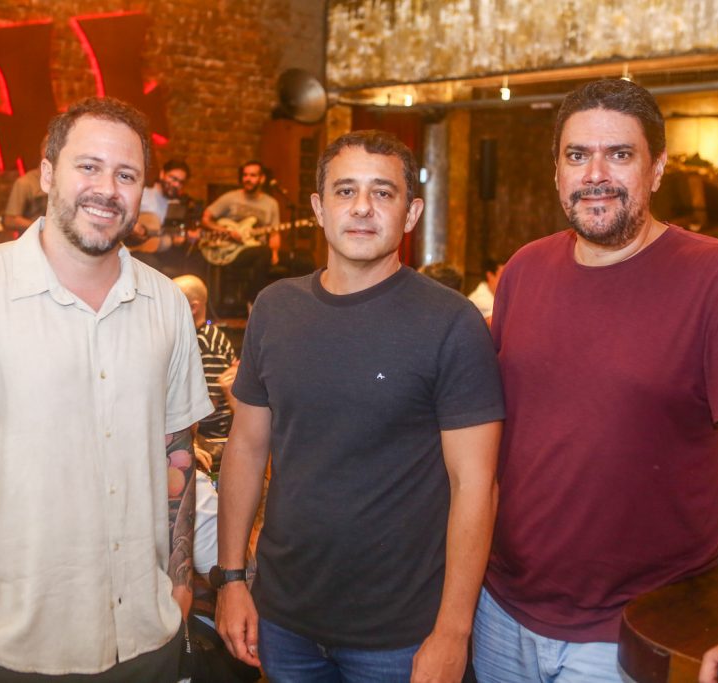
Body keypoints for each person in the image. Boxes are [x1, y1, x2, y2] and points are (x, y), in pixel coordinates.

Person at [477, 79, 718, 683]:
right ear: (557, 171)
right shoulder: (524, 269)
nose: (595, 174)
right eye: (578, 155)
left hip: (635, 630)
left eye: (620, 154)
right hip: (500, 611)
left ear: (656, 169)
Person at [0, 97, 214, 681]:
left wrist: (180, 586)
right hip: (7, 652)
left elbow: (178, 450)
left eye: (126, 175)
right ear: (46, 173)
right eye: (88, 166)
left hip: (149, 638)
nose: (106, 189)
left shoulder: (166, 303)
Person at [215, 130, 504, 682]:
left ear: (411, 213)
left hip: (401, 634)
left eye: (383, 192)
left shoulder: (450, 323)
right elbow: (246, 448)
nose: (363, 207)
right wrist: (230, 579)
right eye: (345, 191)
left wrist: (453, 631)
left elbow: (475, 485)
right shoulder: (275, 308)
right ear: (319, 209)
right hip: (284, 620)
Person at [201, 160, 281, 308]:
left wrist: (275, 252)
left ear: (262, 179)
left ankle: (258, 303)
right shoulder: (230, 198)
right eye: (245, 175)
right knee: (263, 253)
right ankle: (253, 303)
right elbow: (206, 218)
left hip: (257, 249)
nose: (247, 179)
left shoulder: (271, 204)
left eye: (252, 175)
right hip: (233, 251)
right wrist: (226, 231)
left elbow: (274, 232)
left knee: (299, 261)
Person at [174, 275, 238, 441]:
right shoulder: (196, 337)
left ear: (193, 307)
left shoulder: (206, 343)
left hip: (209, 439)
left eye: (172, 301)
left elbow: (208, 408)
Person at [2, 136, 49, 232]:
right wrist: (42, 227)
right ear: (44, 151)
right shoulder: (25, 182)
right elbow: (10, 220)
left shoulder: (63, 183)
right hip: (32, 239)